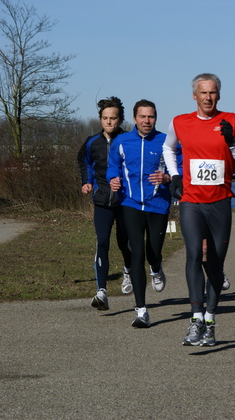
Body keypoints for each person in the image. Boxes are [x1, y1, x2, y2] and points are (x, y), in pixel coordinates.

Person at [163, 73, 235, 346]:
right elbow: (168, 149)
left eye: (213, 92)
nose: (208, 97)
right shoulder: (180, 122)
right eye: (203, 93)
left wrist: (232, 143)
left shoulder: (234, 121)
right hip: (191, 200)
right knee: (193, 254)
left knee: (215, 263)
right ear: (194, 95)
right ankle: (195, 319)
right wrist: (174, 175)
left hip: (220, 201)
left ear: (219, 95)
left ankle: (210, 320)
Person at [107, 99, 171, 328]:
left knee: (154, 251)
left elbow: (179, 167)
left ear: (155, 118)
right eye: (142, 116)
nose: (147, 121)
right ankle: (141, 310)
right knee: (137, 253)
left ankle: (156, 268)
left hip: (158, 204)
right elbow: (112, 165)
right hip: (130, 203)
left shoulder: (165, 141)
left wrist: (167, 178)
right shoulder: (122, 141)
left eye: (151, 116)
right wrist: (113, 179)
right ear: (134, 119)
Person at [77, 96, 132, 311]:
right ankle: (101, 291)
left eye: (113, 118)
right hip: (101, 200)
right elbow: (84, 162)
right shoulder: (92, 142)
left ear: (120, 120)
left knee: (125, 243)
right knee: (102, 242)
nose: (109, 122)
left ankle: (127, 270)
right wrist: (86, 182)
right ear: (100, 119)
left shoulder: (128, 140)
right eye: (105, 118)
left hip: (125, 201)